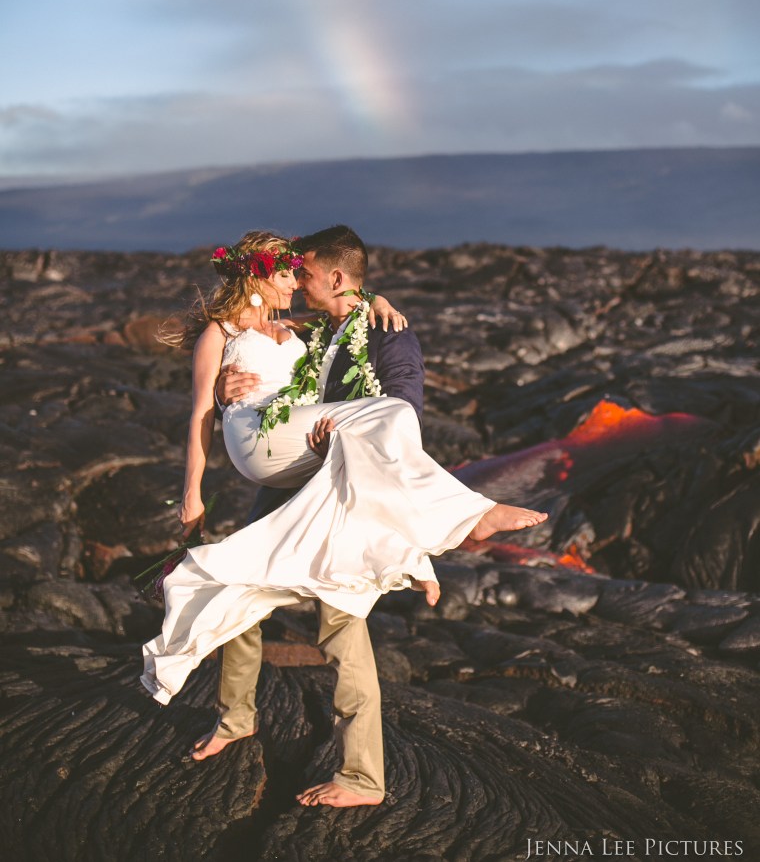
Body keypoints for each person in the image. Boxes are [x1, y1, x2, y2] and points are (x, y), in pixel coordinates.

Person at [141, 227, 548, 808]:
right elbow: (210, 404)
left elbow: (400, 405)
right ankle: (236, 718)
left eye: (301, 273)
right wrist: (202, 469)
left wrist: (375, 304)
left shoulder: (376, 332)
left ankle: (363, 777)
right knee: (241, 588)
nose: (296, 281)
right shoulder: (278, 330)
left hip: (341, 498)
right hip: (283, 473)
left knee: (334, 624)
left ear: (332, 279)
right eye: (288, 272)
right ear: (261, 275)